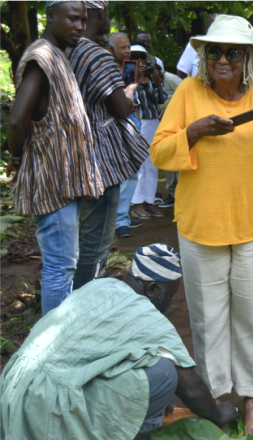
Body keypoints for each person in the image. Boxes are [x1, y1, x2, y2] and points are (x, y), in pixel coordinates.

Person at [151, 15, 253, 436]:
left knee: (251, 316)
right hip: (201, 225)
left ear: (248, 57)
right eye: (214, 51)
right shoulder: (187, 92)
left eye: (233, 52)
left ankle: (251, 400)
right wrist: (194, 132)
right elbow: (159, 152)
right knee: (207, 319)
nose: (222, 59)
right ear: (203, 55)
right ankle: (217, 401)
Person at [0, 245, 241, 440]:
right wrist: (217, 414)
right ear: (153, 289)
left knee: (155, 372)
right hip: (51, 400)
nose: (170, 303)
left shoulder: (100, 287)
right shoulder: (145, 314)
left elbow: (102, 353)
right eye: (172, 294)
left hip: (16, 387)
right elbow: (190, 387)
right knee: (166, 373)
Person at [7, 0, 102, 314]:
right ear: (50, 15)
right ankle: (55, 345)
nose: (79, 26)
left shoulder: (58, 54)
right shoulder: (42, 56)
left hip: (62, 180)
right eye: (72, 18)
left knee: (64, 265)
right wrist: (17, 158)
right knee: (60, 268)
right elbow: (18, 120)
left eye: (83, 20)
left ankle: (59, 338)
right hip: (51, 181)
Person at [68, 0, 143, 289]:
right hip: (100, 160)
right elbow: (120, 107)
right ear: (97, 13)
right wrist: (129, 92)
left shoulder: (59, 50)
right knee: (96, 243)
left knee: (73, 241)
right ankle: (85, 303)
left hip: (69, 156)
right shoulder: (94, 55)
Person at [109, 32, 147, 239]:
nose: (126, 51)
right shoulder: (105, 70)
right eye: (121, 47)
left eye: (128, 47)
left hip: (132, 123)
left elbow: (135, 98)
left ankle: (123, 215)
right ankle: (118, 220)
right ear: (110, 49)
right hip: (115, 126)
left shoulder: (129, 70)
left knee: (133, 171)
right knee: (119, 173)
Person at [129, 44, 167, 219]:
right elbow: (128, 97)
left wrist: (157, 81)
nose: (140, 61)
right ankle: (137, 203)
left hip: (152, 121)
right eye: (136, 57)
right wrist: (135, 78)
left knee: (152, 162)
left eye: (142, 57)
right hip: (138, 121)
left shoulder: (151, 78)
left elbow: (161, 99)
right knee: (139, 163)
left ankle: (149, 200)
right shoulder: (128, 77)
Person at [157, 62, 183, 209]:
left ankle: (178, 195)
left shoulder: (172, 79)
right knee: (167, 157)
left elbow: (186, 96)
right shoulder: (152, 82)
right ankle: (173, 194)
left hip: (177, 122)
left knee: (177, 157)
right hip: (163, 122)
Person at [176, 14, 218, 79]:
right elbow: (181, 71)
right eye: (213, 26)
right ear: (208, 27)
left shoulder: (230, 46)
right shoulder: (195, 44)